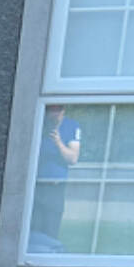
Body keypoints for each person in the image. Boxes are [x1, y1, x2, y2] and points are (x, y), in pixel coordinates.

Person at [30, 104, 82, 251]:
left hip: (55, 187)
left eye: (58, 110)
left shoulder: (71, 126)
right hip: (35, 186)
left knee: (51, 229)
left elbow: (72, 159)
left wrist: (58, 142)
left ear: (63, 110)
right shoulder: (39, 124)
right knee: (33, 230)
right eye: (51, 110)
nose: (54, 114)